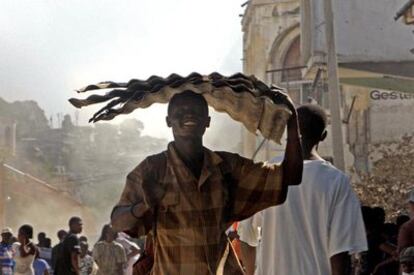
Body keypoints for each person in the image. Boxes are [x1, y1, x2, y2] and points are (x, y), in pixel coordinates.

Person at [111, 90, 303, 274]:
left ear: (207, 122)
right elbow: (118, 222)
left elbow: (290, 176)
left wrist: (293, 121)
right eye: (181, 112)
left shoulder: (227, 167)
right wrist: (144, 205)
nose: (188, 115)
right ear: (169, 121)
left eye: (195, 111)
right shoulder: (151, 170)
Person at [238, 104, 367, 275]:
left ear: (287, 132)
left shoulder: (267, 174)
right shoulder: (336, 181)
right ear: (323, 136)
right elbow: (340, 253)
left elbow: (246, 239)